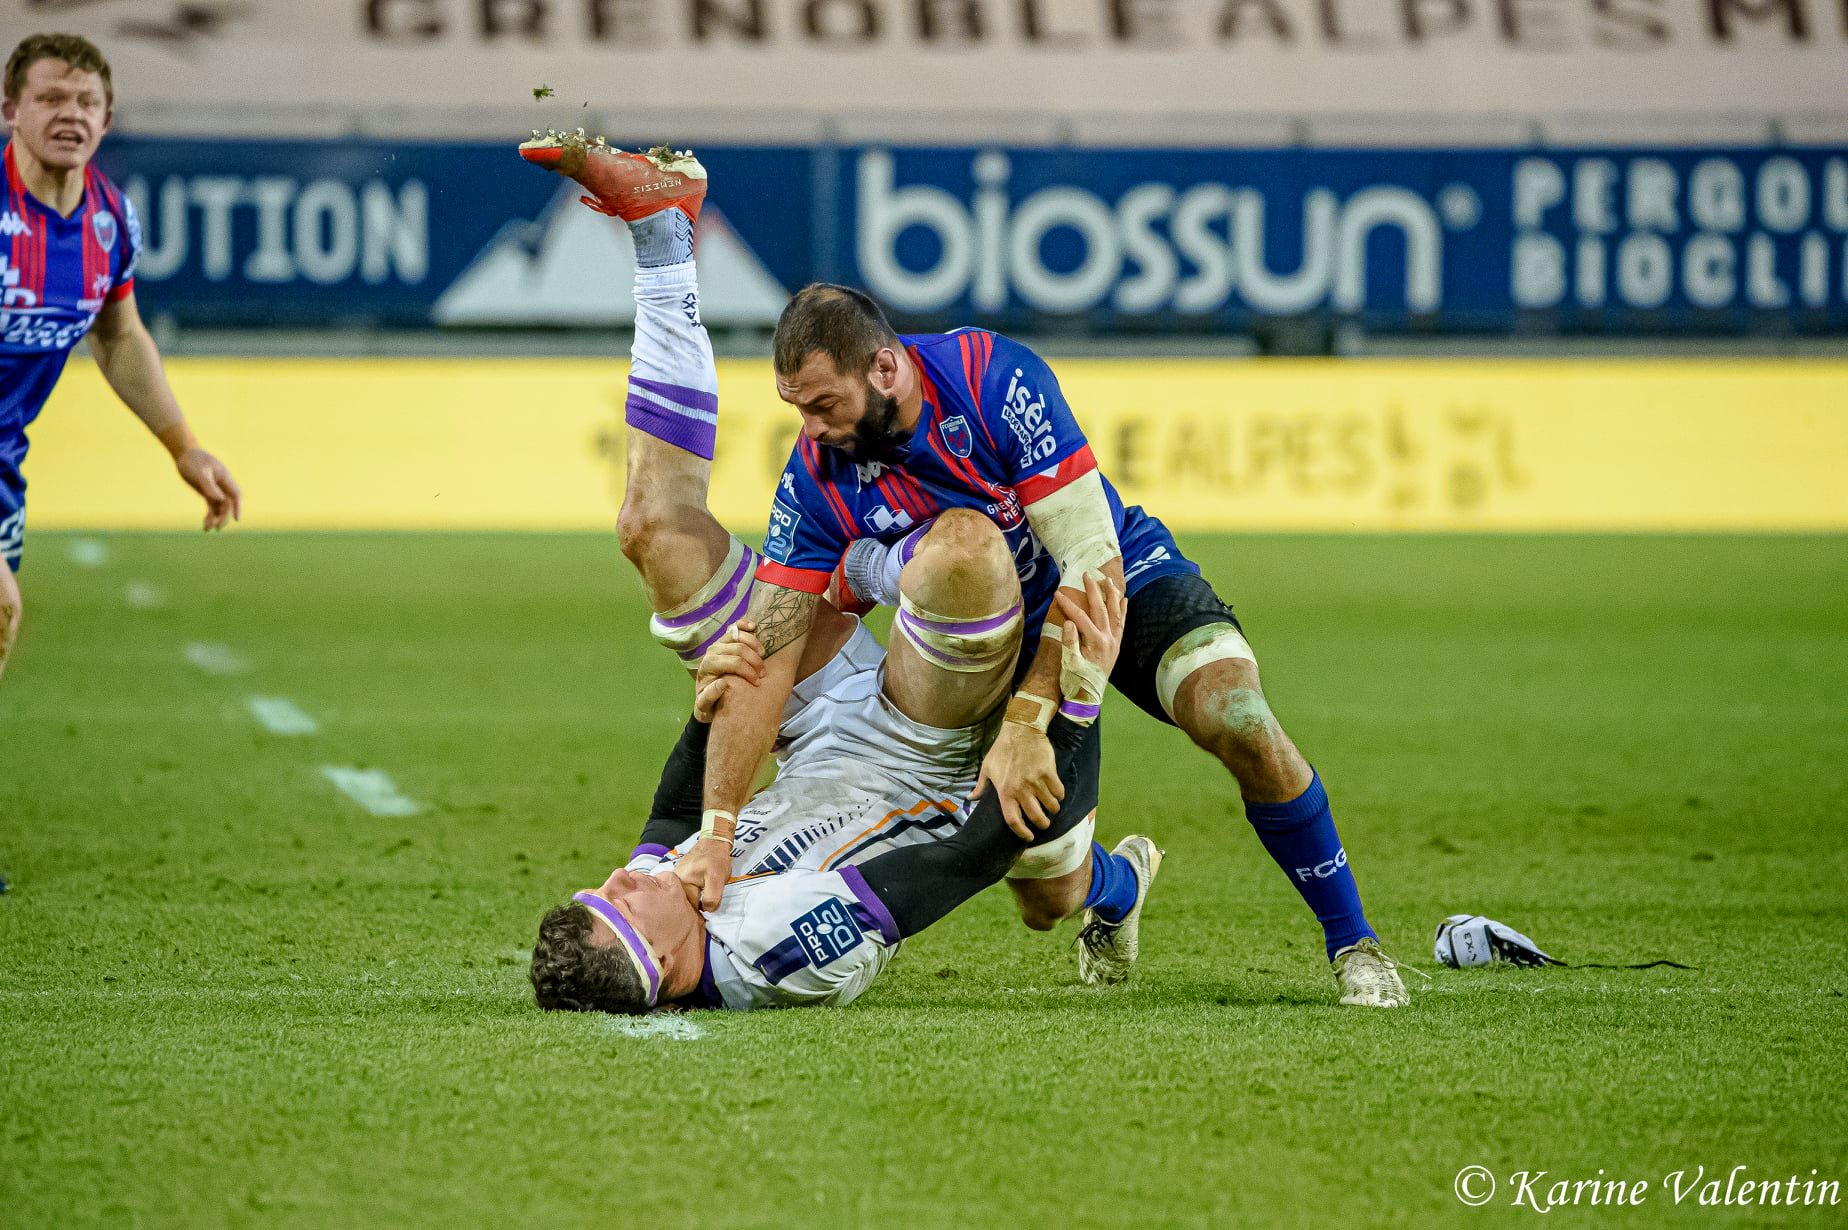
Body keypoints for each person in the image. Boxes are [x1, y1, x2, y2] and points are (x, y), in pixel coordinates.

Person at [519, 131, 1407, 1008]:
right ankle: (1115, 887)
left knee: (1236, 714)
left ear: (886, 367)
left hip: (1096, 582)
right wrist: (717, 797)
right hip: (946, 669)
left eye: (825, 405)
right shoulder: (818, 468)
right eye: (798, 411)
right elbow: (776, 647)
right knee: (1047, 893)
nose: (813, 431)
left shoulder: (992, 380)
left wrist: (1027, 713)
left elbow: (1090, 564)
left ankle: (1352, 941)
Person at [1, 33, 242, 684]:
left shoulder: (111, 221)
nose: (69, 113)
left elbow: (119, 338)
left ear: (107, 120)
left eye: (86, 101)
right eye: (49, 97)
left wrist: (184, 447)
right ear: (9, 110)